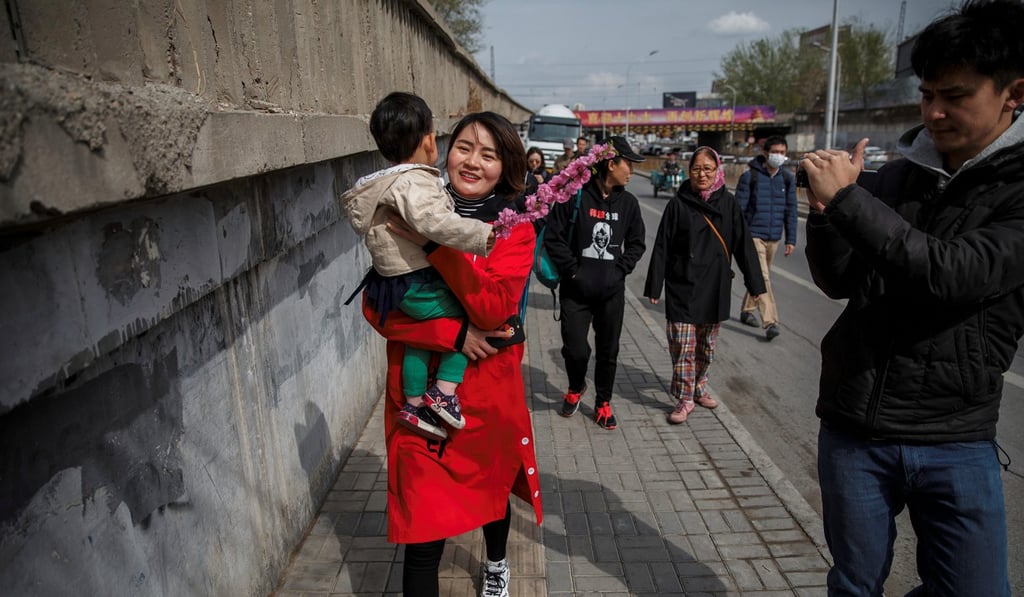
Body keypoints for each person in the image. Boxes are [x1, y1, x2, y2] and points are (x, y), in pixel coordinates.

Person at [802, 1, 1024, 593]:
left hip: (955, 436)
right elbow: (839, 281)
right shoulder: (897, 177)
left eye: (954, 95)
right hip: (855, 428)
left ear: (1013, 93)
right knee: (855, 583)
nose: (933, 112)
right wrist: (825, 215)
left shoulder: (1019, 191)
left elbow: (954, 274)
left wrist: (850, 204)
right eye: (926, 94)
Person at [362, 111, 542, 597]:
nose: (473, 162)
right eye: (464, 147)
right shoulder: (412, 202)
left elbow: (495, 307)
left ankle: (497, 564)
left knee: (492, 493)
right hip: (419, 403)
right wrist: (453, 337)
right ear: (444, 147)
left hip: (483, 398)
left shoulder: (514, 229)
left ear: (506, 166)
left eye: (489, 154)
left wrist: (436, 245)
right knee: (422, 529)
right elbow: (377, 308)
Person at [341, 92, 496, 441]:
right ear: (429, 138)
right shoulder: (414, 182)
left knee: (420, 341)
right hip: (418, 280)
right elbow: (434, 222)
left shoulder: (382, 182)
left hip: (394, 283)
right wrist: (482, 234)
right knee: (465, 315)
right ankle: (443, 392)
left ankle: (413, 404)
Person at [643, 146, 765, 424]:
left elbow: (744, 246)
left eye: (708, 169)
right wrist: (654, 285)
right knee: (682, 346)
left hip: (714, 286)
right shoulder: (678, 203)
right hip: (682, 286)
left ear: (717, 171)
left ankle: (699, 387)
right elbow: (662, 245)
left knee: (706, 347)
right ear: (689, 172)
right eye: (697, 169)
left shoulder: (729, 204)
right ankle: (684, 398)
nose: (702, 174)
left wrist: (755, 283)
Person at [544, 135, 647, 430]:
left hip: (611, 294)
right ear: (611, 164)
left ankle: (603, 401)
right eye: (629, 164)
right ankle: (576, 386)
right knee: (576, 350)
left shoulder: (628, 203)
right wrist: (573, 271)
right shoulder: (576, 196)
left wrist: (619, 271)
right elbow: (554, 237)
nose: (632, 171)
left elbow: (637, 244)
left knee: (608, 351)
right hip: (575, 292)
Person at [734, 135, 797, 341]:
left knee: (760, 277)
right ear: (765, 153)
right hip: (754, 235)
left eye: (782, 152)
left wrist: (791, 239)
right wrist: (737, 235)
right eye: (775, 152)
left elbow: (791, 210)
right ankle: (770, 322)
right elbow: (739, 209)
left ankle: (747, 310)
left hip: (774, 237)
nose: (779, 156)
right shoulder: (750, 176)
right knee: (762, 277)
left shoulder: (786, 179)